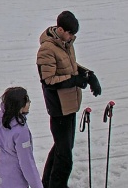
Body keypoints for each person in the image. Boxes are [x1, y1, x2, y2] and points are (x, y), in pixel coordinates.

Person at [36, 11, 102, 188]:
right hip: (59, 107)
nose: (72, 37)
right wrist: (74, 80)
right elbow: (48, 80)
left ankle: (46, 183)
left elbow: (70, 66)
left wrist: (88, 75)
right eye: (70, 33)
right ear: (60, 29)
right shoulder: (46, 50)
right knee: (64, 155)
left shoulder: (65, 43)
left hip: (70, 105)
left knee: (62, 148)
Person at [0, 86, 43, 188]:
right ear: (19, 105)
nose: (29, 103)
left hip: (2, 173)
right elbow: (27, 163)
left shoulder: (3, 118)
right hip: (15, 180)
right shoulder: (21, 131)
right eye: (27, 101)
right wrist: (37, 185)